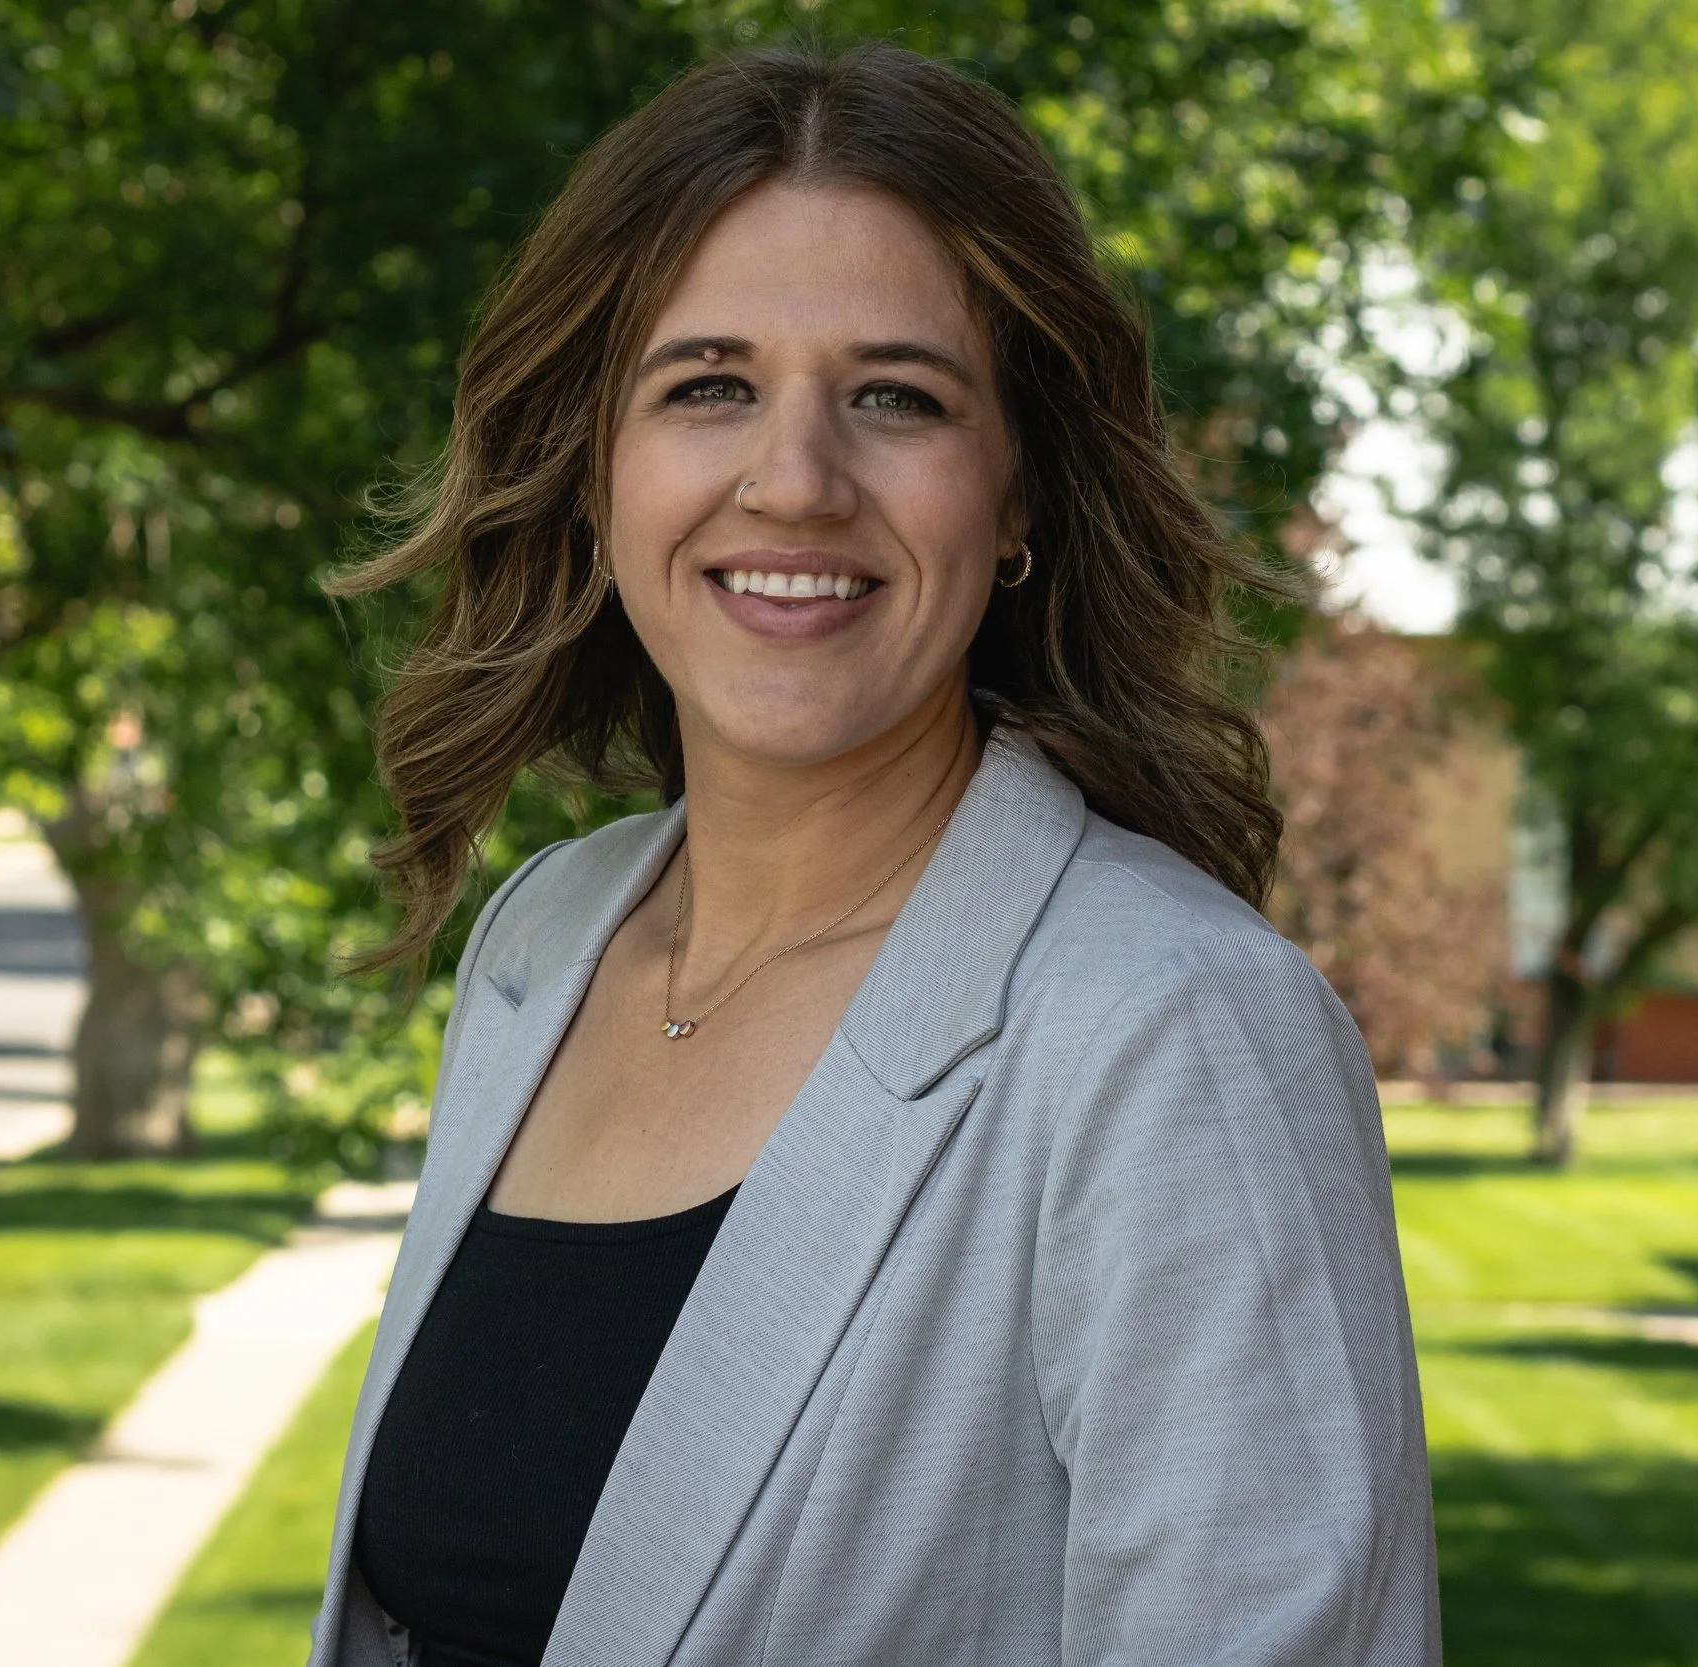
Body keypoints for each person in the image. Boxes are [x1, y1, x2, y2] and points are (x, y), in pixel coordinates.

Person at [311, 42, 1438, 1667]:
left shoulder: (1172, 1032)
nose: (795, 480)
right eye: (708, 385)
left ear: (1022, 488)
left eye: (896, 397)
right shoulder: (545, 941)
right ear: (595, 468)